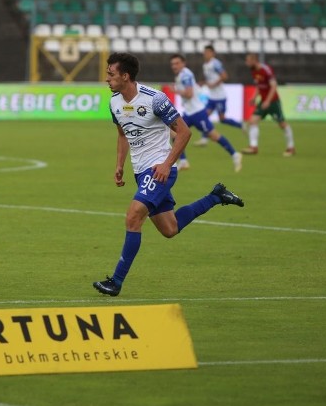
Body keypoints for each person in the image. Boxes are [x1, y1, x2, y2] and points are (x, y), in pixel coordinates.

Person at [92, 52, 245, 297]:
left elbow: (184, 133)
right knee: (169, 229)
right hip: (141, 172)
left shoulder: (155, 99)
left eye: (111, 74)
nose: (106, 79)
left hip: (159, 169)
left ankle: (116, 282)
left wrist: (166, 164)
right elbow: (122, 134)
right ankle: (216, 196)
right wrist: (119, 165)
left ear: (125, 76)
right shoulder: (114, 103)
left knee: (133, 217)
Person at [170, 54, 243, 172]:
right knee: (174, 132)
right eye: (172, 64)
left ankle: (235, 154)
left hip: (197, 113)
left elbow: (189, 94)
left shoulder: (185, 75)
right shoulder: (181, 75)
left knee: (213, 135)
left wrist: (176, 91)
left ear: (183, 63)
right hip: (189, 113)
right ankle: (183, 161)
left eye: (177, 63)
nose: (174, 66)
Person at [241, 53, 295, 157]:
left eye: (248, 61)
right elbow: (258, 85)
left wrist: (268, 101)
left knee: (282, 124)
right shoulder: (253, 71)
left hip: (273, 101)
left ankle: (291, 148)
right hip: (263, 101)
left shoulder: (266, 69)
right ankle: (253, 147)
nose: (246, 63)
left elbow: (274, 86)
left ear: (254, 60)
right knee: (253, 121)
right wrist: (254, 97)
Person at [194, 45, 243, 147]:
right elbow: (210, 79)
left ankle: (241, 125)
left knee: (222, 119)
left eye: (207, 52)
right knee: (205, 116)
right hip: (212, 97)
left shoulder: (215, 63)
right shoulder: (205, 65)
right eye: (204, 52)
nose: (205, 54)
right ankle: (204, 139)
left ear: (212, 53)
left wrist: (213, 84)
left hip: (220, 96)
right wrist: (203, 83)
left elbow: (224, 76)